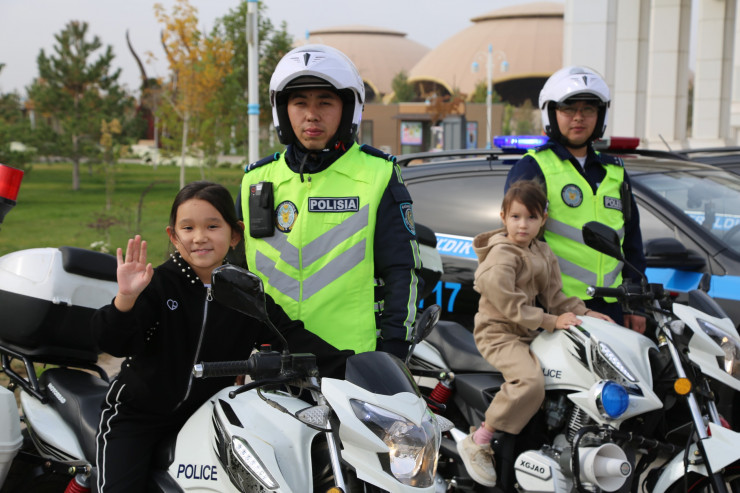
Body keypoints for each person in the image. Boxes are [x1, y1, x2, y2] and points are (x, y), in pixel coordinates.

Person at [92, 181, 348, 493]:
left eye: (212, 226)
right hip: (138, 418)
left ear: (235, 234)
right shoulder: (158, 285)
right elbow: (113, 343)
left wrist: (359, 369)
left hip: (207, 418)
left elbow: (291, 337)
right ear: (174, 236)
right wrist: (126, 299)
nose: (200, 237)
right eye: (188, 228)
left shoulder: (245, 294)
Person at [238, 44, 422, 359]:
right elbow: (235, 274)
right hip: (271, 358)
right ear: (283, 110)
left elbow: (402, 271)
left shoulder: (377, 174)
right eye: (299, 103)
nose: (312, 115)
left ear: (348, 109)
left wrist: (394, 351)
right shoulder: (255, 180)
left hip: (351, 359)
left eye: (325, 102)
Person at [457, 180, 613, 486]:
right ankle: (481, 438)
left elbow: (555, 297)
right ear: (503, 217)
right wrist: (551, 321)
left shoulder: (542, 250)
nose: (523, 225)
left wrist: (585, 313)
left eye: (531, 217)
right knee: (529, 381)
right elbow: (511, 306)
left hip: (527, 331)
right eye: (516, 217)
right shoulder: (500, 256)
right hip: (499, 333)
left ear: (543, 219)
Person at [505, 66, 647, 333]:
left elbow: (632, 242)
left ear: (600, 114)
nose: (579, 117)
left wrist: (635, 305)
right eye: (568, 109)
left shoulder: (614, 172)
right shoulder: (534, 167)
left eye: (588, 109)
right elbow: (517, 241)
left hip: (611, 307)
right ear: (552, 113)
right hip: (557, 309)